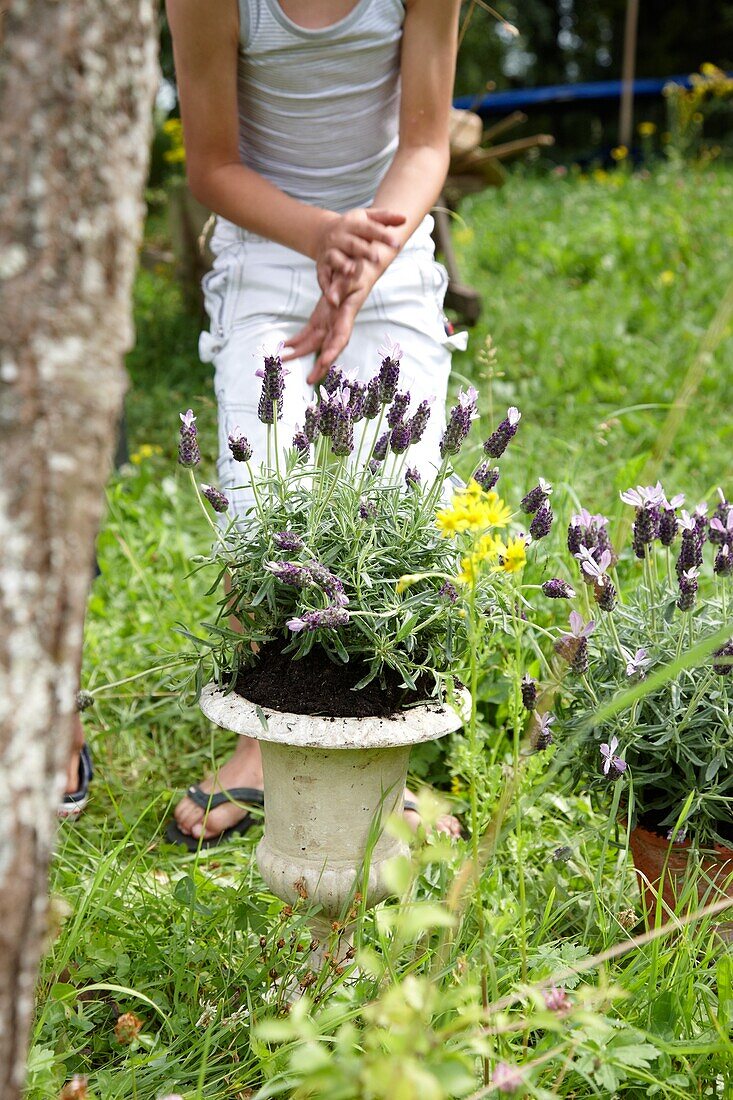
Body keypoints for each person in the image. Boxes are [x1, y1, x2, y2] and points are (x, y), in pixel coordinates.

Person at [166, 0, 464, 848]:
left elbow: (423, 145)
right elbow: (212, 166)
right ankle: (259, 743)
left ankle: (378, 757)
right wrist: (319, 237)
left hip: (387, 243)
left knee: (393, 503)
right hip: (267, 247)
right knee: (266, 501)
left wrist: (362, 260)